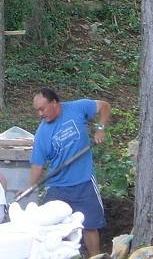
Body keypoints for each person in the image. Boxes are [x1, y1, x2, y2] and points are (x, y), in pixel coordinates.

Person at [27, 88, 111, 258]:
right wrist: (30, 187)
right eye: (37, 110)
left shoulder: (77, 108)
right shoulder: (42, 133)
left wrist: (100, 128)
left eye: (42, 109)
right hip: (56, 186)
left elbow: (104, 106)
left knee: (90, 226)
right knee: (51, 230)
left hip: (84, 180)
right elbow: (37, 165)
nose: (40, 114)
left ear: (54, 103)